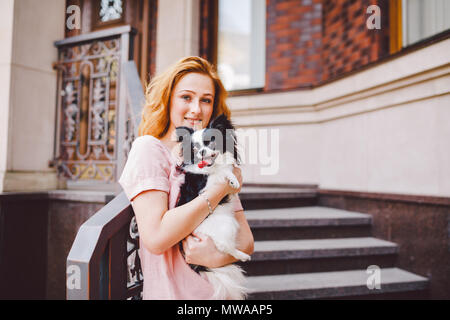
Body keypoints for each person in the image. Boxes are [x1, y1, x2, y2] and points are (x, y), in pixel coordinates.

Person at [118, 56, 254, 300]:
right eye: (186, 97)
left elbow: (246, 241)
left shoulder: (215, 156)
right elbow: (157, 238)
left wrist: (217, 256)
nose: (196, 109)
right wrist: (219, 189)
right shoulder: (149, 149)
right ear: (168, 99)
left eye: (206, 100)